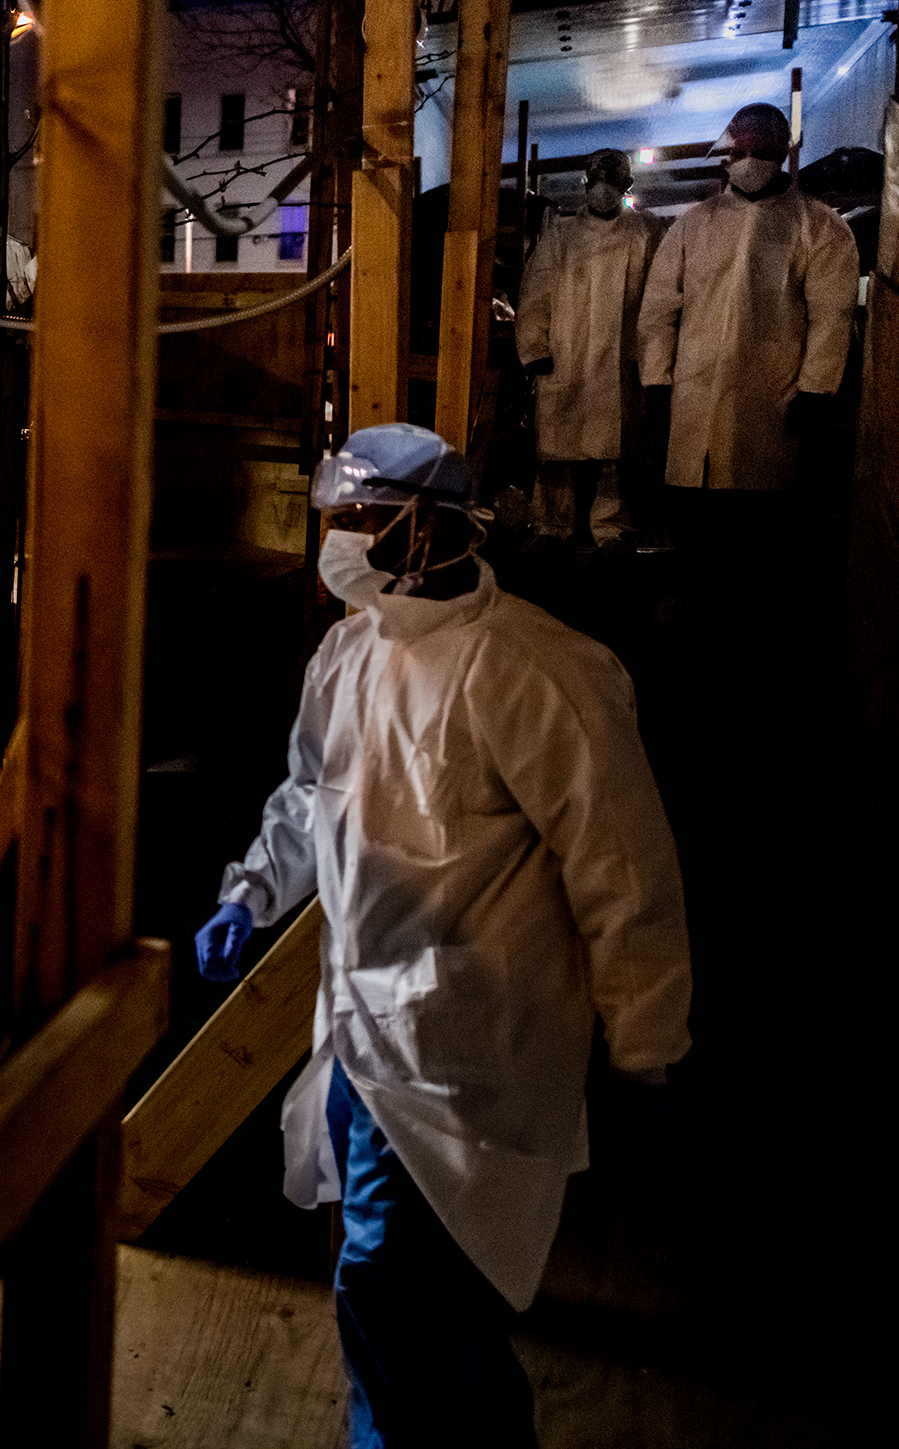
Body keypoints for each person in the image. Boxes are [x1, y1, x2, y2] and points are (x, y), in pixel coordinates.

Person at [194, 424, 691, 1448]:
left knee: (393, 1282)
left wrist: (649, 1049)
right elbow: (307, 795)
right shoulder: (349, 650)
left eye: (361, 518)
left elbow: (625, 873)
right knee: (403, 1289)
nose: (338, 536)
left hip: (464, 1042)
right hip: (359, 1033)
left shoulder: (538, 673)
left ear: (428, 530)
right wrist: (251, 894)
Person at [636, 103, 857, 604]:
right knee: (693, 525)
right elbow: (659, 309)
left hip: (770, 398)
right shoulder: (694, 225)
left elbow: (831, 314)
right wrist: (657, 379)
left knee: (757, 532)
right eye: (743, 149)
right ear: (728, 151)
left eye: (763, 150)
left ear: (782, 152)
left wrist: (816, 388)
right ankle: (693, 620)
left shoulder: (818, 226)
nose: (751, 159)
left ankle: (748, 634)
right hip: (694, 394)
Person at [515, 148, 666, 550]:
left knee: (615, 450)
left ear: (626, 185)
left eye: (613, 181)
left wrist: (654, 359)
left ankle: (611, 525)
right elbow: (535, 295)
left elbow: (661, 297)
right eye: (598, 179)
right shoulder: (560, 234)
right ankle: (550, 523)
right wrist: (534, 348)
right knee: (556, 448)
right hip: (565, 353)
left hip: (622, 356)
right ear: (586, 181)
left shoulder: (647, 231)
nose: (604, 189)